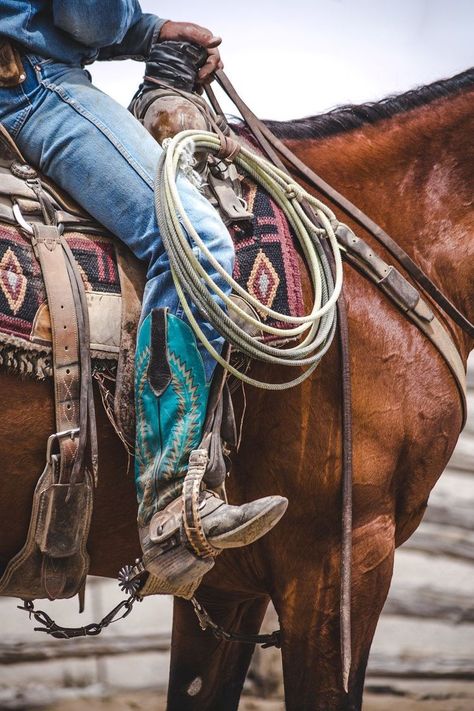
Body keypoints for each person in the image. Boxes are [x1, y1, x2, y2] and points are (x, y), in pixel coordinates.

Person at [0, 1, 287, 596]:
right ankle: (171, 504)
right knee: (199, 243)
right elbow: (86, 15)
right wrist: (132, 28)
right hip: (28, 88)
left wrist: (151, 32)